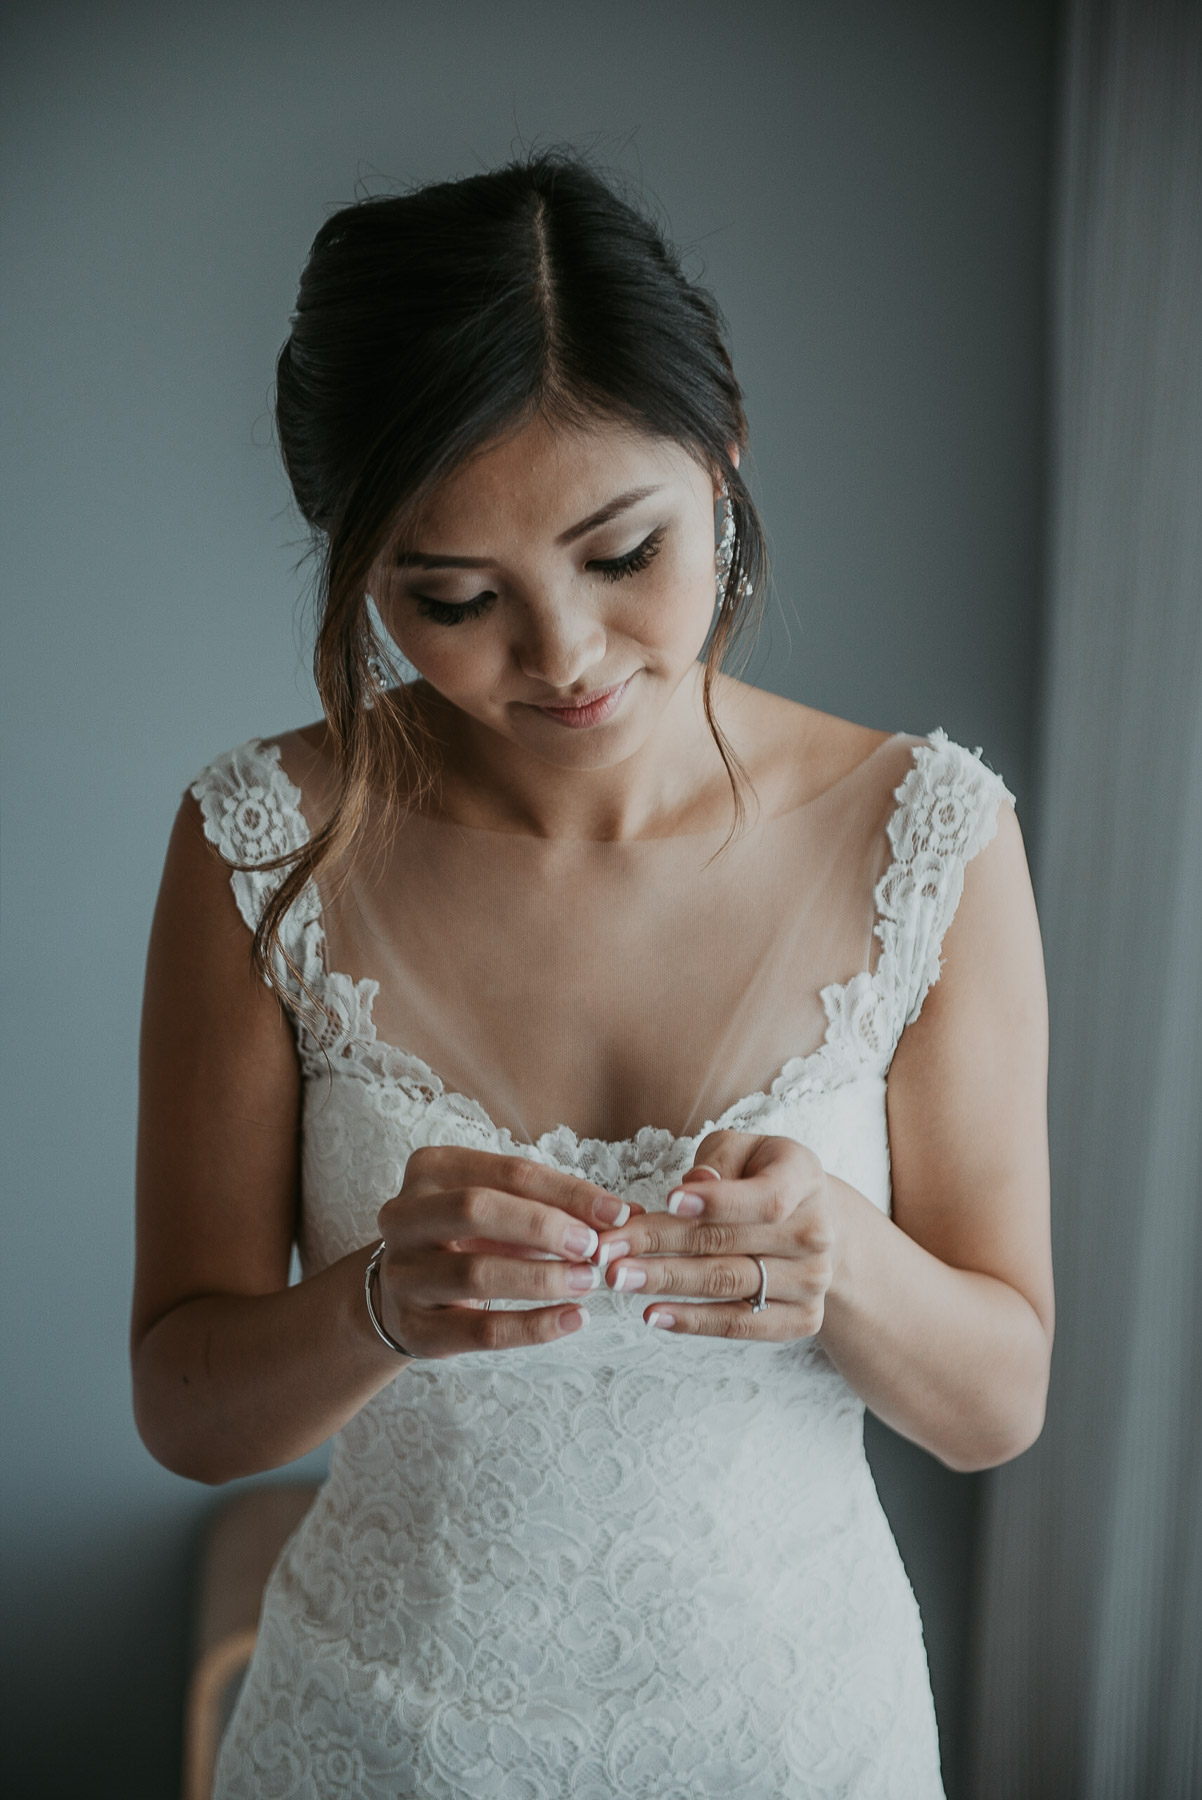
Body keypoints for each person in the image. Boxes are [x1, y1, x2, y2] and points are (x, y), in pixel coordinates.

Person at [132, 154, 1053, 1799]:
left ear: (724, 457)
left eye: (622, 554)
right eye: (453, 597)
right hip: (378, 1740)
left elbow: (996, 1405)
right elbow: (189, 1410)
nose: (559, 656)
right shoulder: (260, 843)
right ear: (359, 571)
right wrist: (373, 1308)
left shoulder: (931, 837)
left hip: (796, 1737)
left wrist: (839, 1259)